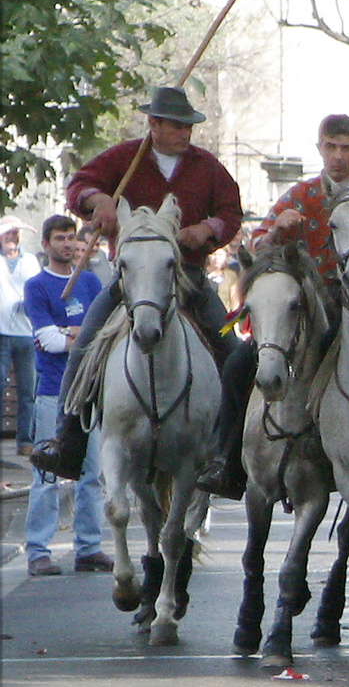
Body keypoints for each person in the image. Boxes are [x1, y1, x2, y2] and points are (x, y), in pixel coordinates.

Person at [32, 85, 243, 480]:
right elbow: (78, 185)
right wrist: (99, 201)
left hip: (190, 278)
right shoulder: (125, 158)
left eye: (188, 126)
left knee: (234, 353)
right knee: (83, 351)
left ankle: (229, 456)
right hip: (129, 280)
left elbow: (231, 212)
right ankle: (65, 445)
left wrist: (206, 229)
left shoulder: (207, 166)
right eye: (177, 126)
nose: (185, 133)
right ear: (154, 124)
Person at [197, 114, 349, 498]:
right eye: (331, 147)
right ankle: (226, 458)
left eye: (345, 148)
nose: (338, 156)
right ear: (320, 148)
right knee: (240, 363)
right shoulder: (299, 195)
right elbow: (256, 247)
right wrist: (276, 231)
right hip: (304, 307)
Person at [21, 215, 111, 574]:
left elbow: (102, 334)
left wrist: (71, 334)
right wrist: (75, 335)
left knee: (94, 474)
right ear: (46, 244)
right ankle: (38, 551)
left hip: (90, 391)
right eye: (60, 238)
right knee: (47, 474)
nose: (68, 244)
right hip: (52, 391)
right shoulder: (37, 286)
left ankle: (89, 547)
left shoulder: (90, 282)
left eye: (72, 238)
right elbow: (49, 341)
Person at [1, 214, 41, 456]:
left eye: (16, 233)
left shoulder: (31, 261)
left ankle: (25, 440)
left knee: (29, 390)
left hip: (26, 332)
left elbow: (35, 290)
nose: (13, 237)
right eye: (8, 233)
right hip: (1, 331)